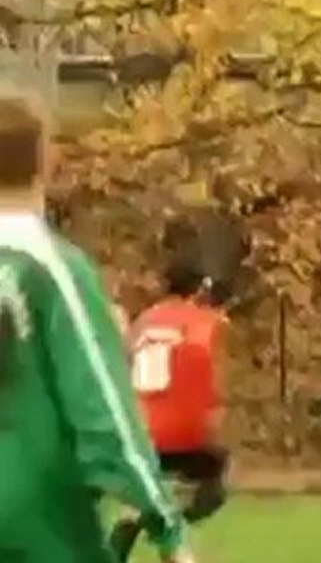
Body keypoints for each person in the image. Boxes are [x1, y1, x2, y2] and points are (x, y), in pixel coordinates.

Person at [0, 95, 193, 563]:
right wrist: (163, 519)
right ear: (47, 161)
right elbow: (102, 410)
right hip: (35, 525)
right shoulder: (48, 267)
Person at [110, 261, 228, 562]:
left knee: (151, 485)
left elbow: (123, 362)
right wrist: (210, 417)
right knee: (212, 485)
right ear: (197, 289)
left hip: (139, 428)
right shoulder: (200, 320)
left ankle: (142, 518)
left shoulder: (144, 321)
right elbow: (199, 362)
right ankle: (164, 517)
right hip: (180, 431)